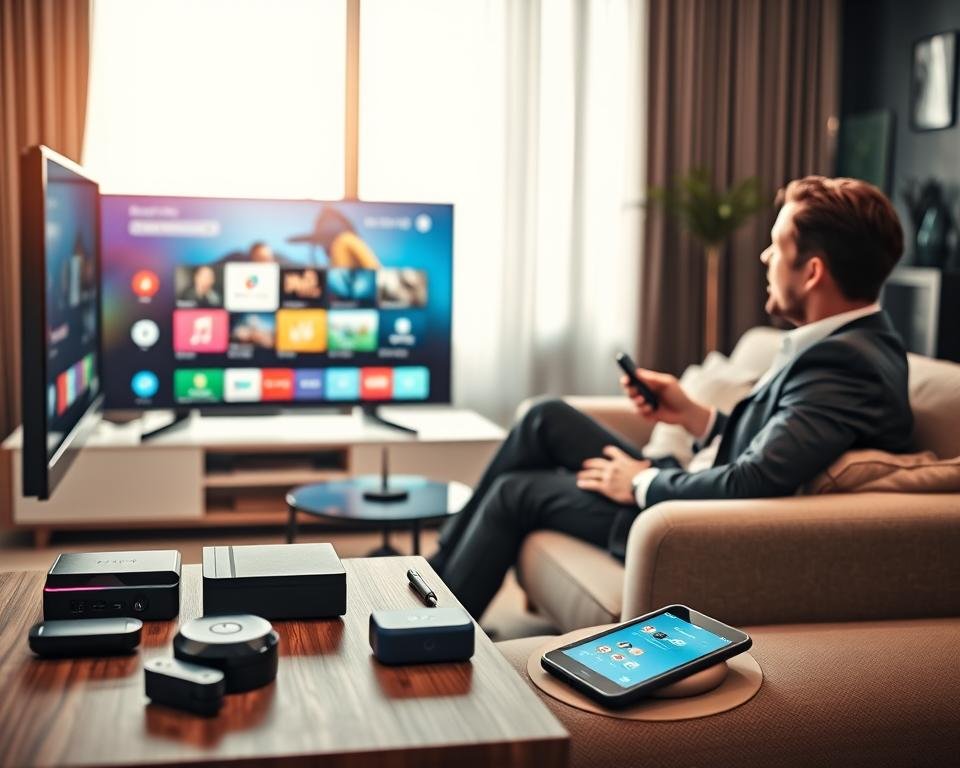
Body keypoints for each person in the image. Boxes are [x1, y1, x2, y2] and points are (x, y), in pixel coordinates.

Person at [430, 176, 914, 620]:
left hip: (694, 524)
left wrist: (642, 482)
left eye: (776, 246)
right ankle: (438, 570)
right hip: (692, 486)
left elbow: (756, 481)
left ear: (811, 272)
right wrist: (695, 416)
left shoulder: (846, 366)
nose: (765, 258)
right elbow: (779, 447)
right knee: (544, 416)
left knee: (517, 492)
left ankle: (436, 625)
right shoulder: (844, 344)